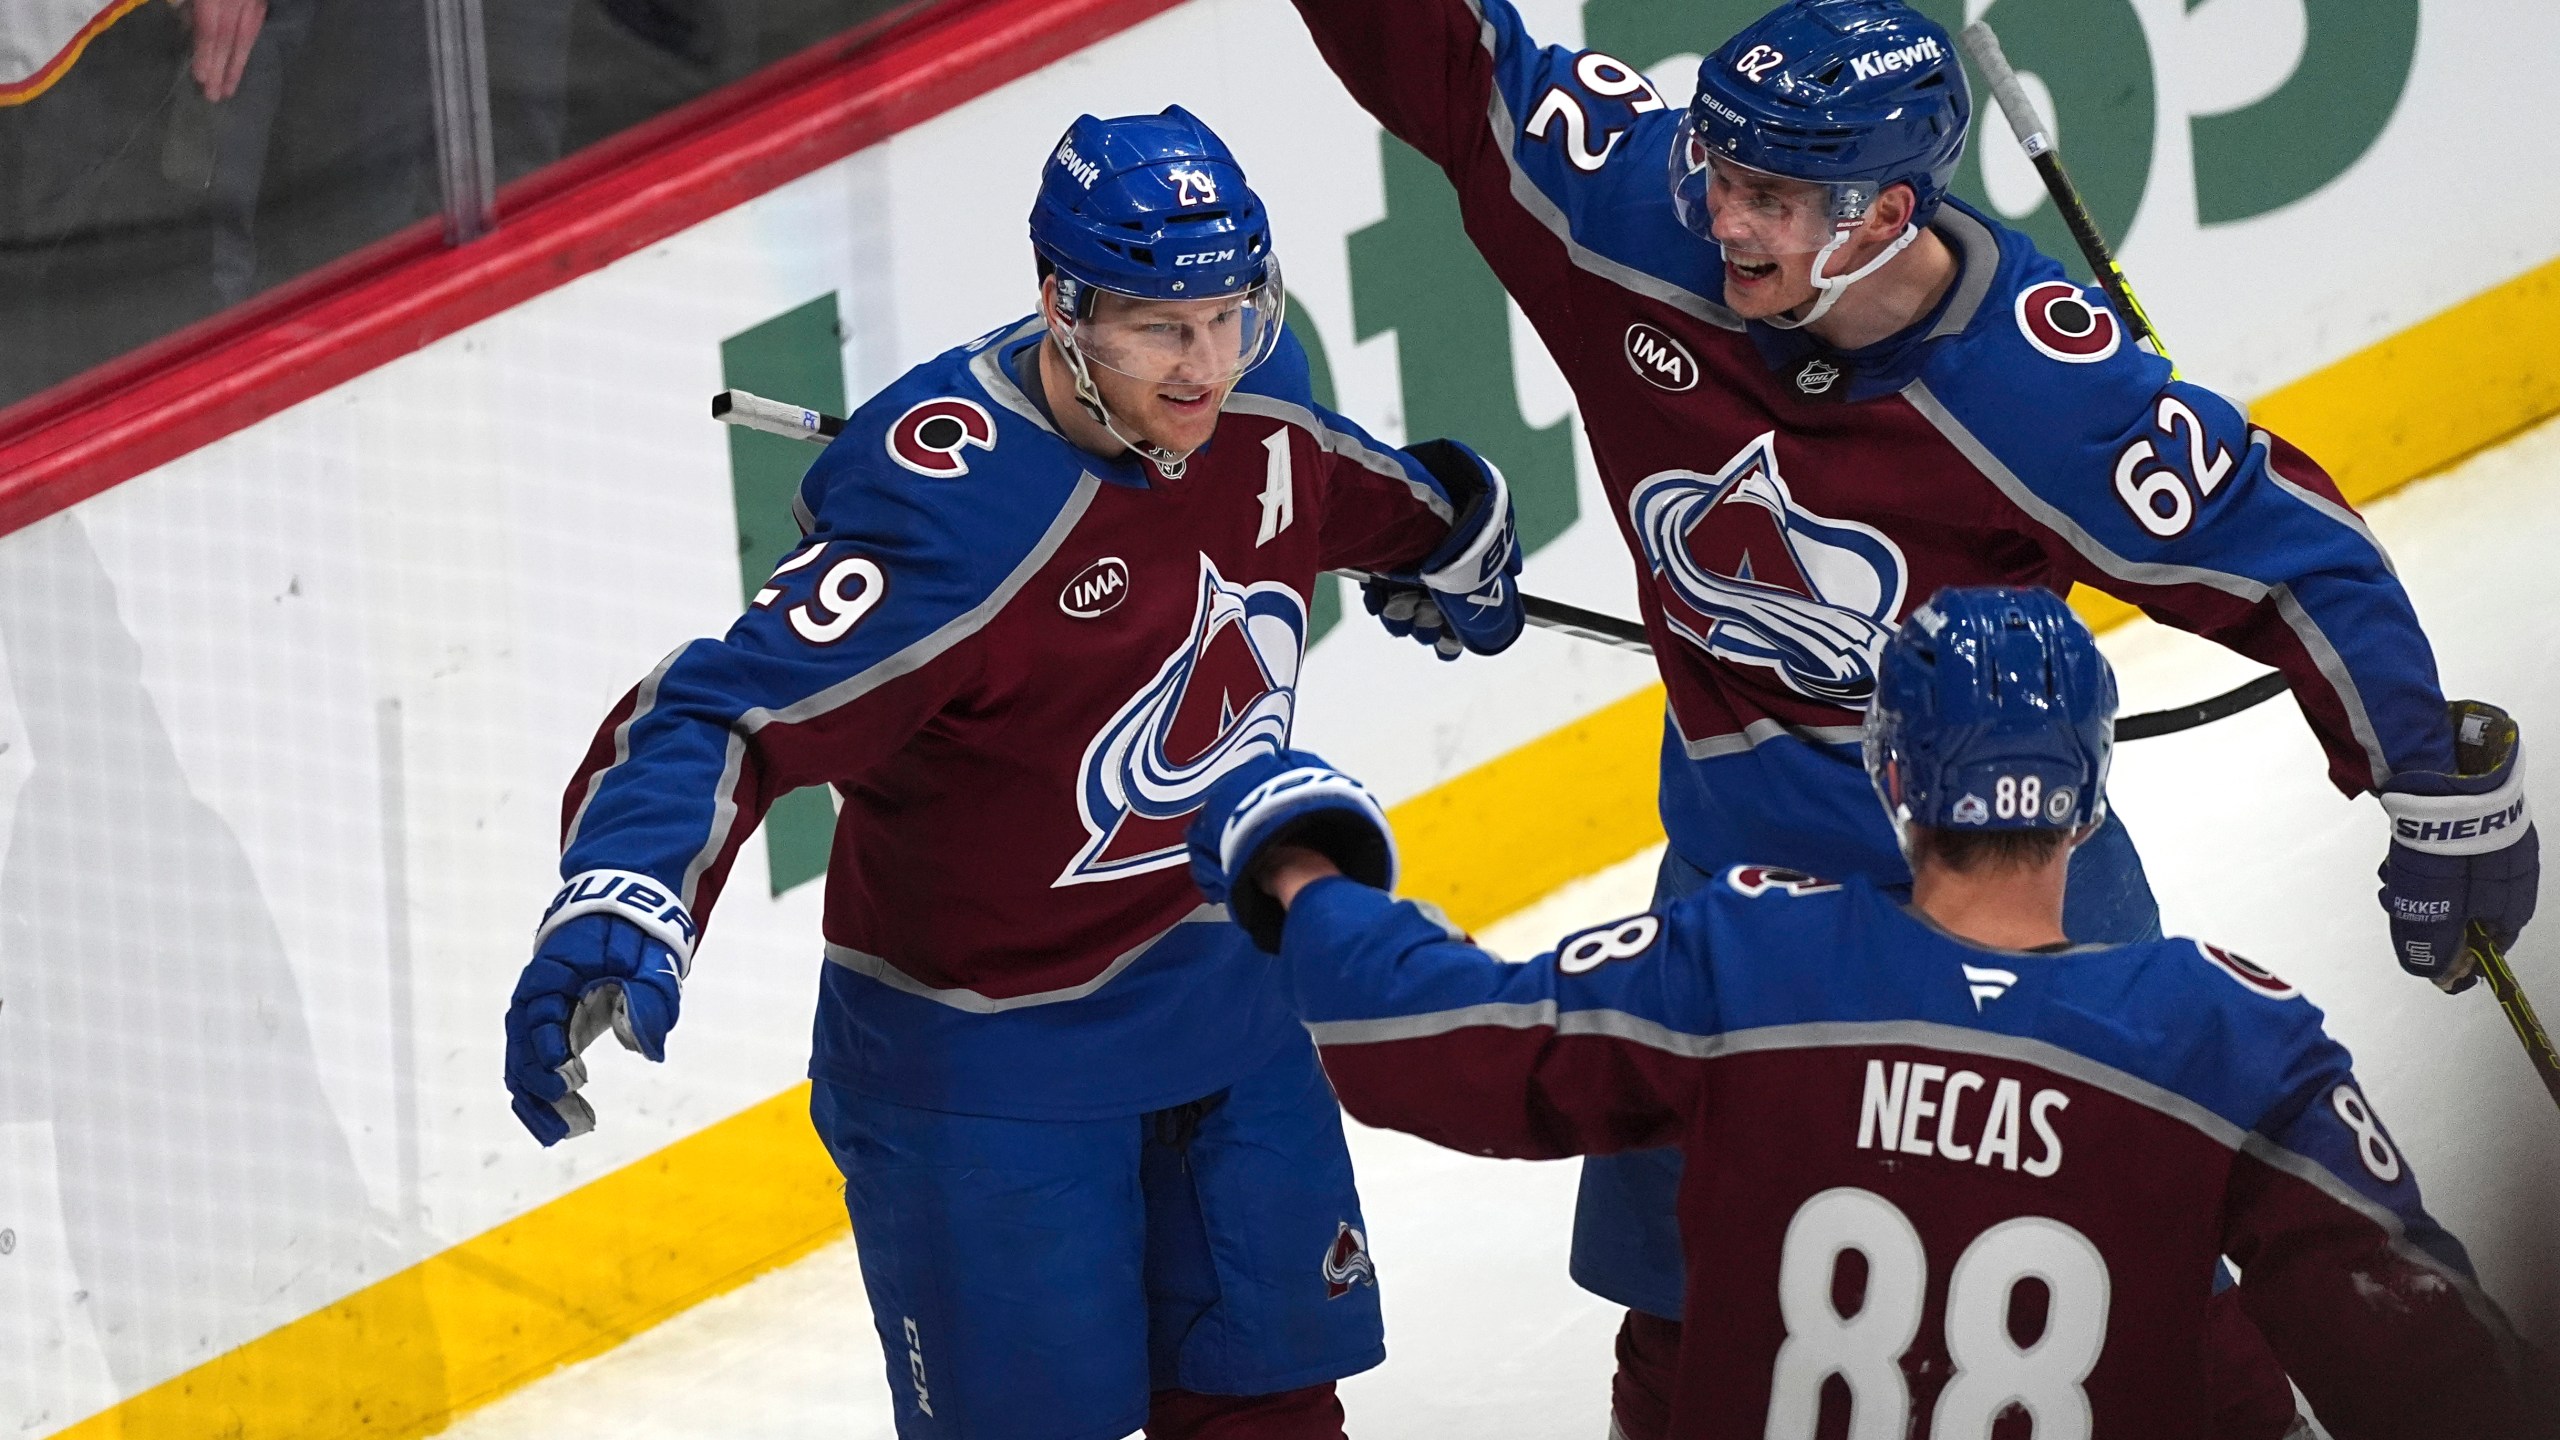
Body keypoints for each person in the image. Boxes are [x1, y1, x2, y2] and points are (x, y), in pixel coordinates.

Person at [1285, 0, 2540, 1427]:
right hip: (1743, 882)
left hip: (2012, 876)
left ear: (1886, 210)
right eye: (1717, 170)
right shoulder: (1631, 210)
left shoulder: (2033, 390)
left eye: (1769, 197)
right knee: (1685, 1317)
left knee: (2156, 1281)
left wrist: (2433, 778)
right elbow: (1442, 52)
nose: (1724, 218)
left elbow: (2294, 551)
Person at [501, 106, 1525, 1439]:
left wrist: (1457, 534)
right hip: (987, 1076)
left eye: (1231, 314)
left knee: (1279, 1419)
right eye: (1164, 325)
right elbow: (724, 713)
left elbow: (1377, 497)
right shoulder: (950, 511)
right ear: (1062, 302)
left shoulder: (1259, 417)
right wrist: (628, 886)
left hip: (1228, 1016)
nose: (1206, 363)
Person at [1185, 586, 2546, 1439]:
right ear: (2088, 798)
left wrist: (1305, 875)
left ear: (1892, 778)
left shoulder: (1749, 971)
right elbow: (2429, 1362)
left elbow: (1436, 1038)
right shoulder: (2232, 1044)